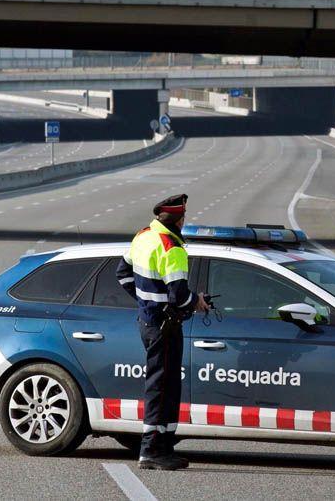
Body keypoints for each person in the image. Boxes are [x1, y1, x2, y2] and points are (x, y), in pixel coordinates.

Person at [117, 193, 208, 471]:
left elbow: (123, 274)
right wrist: (198, 302)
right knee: (161, 387)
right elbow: (180, 296)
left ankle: (164, 447)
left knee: (167, 385)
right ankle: (152, 450)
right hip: (164, 327)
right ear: (179, 220)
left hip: (149, 322)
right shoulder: (172, 248)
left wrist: (148, 302)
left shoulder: (143, 236)